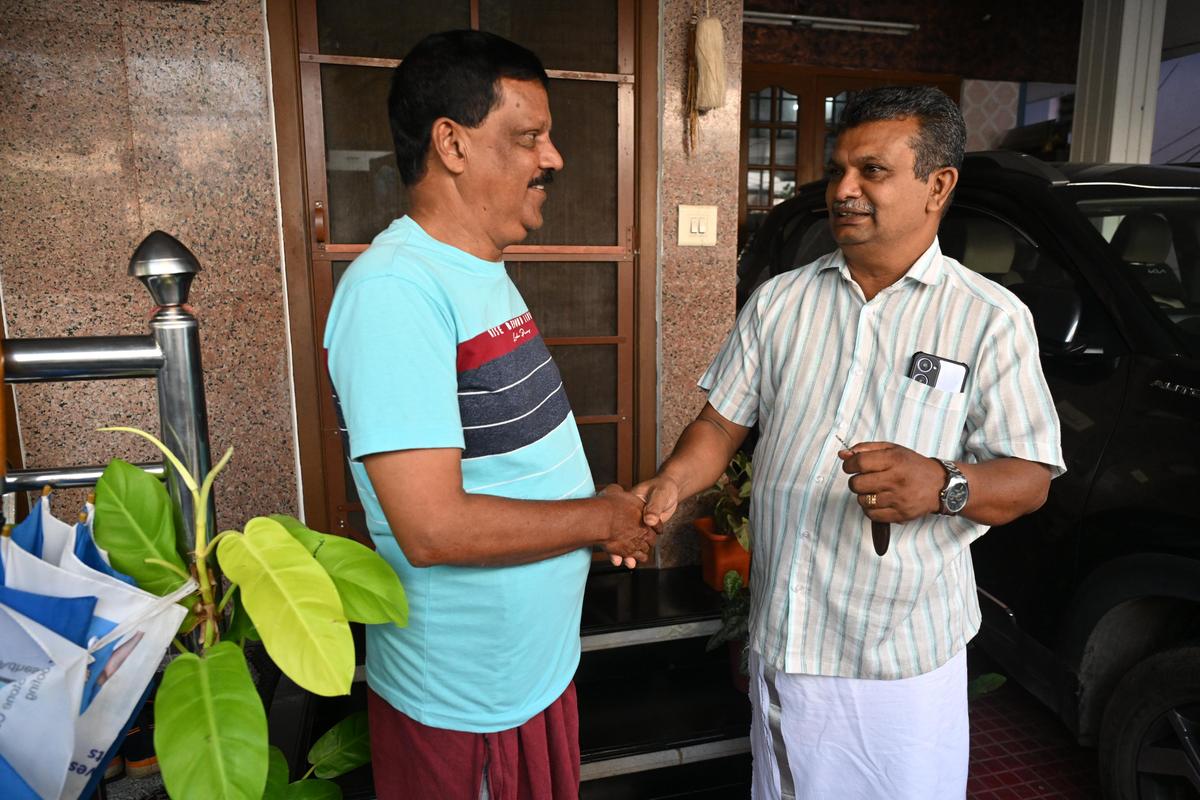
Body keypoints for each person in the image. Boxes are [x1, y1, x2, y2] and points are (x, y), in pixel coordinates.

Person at [634, 86, 1065, 799]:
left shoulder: (990, 320)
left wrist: (943, 484)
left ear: (939, 185)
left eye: (872, 171)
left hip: (899, 652)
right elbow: (719, 424)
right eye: (838, 171)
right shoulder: (780, 301)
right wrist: (672, 484)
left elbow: (1030, 479)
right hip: (786, 634)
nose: (844, 190)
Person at [324, 30, 655, 800]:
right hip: (466, 704)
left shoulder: (478, 270)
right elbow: (431, 526)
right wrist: (599, 520)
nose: (553, 159)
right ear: (452, 144)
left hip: (527, 677)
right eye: (529, 136)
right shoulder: (395, 292)